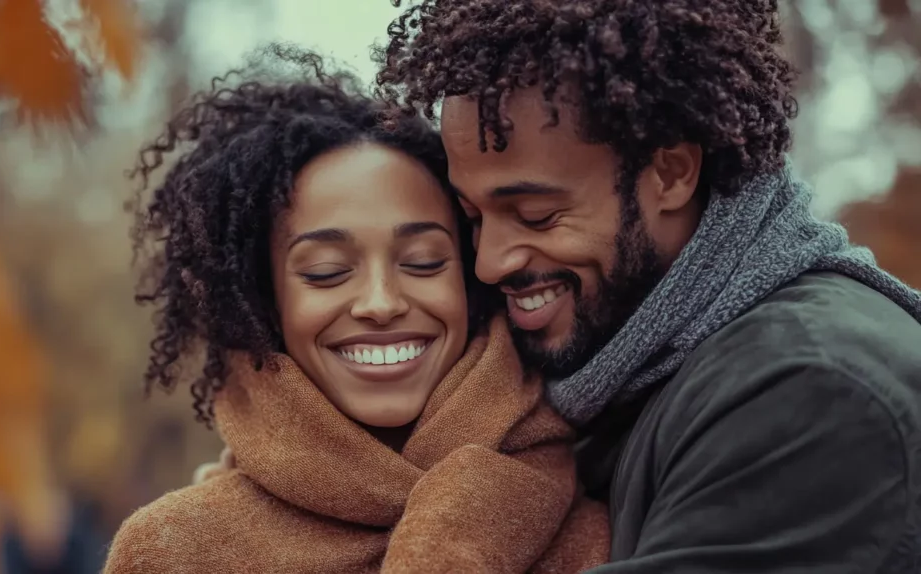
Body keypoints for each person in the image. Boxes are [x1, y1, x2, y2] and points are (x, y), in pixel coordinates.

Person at [189, 1, 921, 571]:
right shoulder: (632, 371)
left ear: (671, 172)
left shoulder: (809, 391)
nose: (492, 262)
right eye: (475, 218)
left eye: (535, 213)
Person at [103, 46, 609, 574]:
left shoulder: (599, 495)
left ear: (470, 280)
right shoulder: (178, 552)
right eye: (326, 271)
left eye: (423, 262)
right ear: (264, 302)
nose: (382, 303)